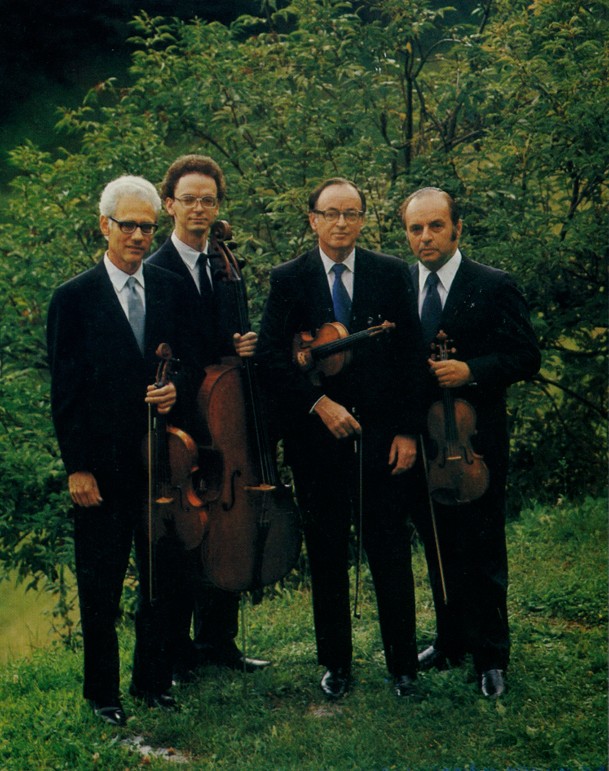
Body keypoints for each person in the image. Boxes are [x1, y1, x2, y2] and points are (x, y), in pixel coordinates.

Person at [257, 177, 425, 698]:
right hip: (315, 442)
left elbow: (412, 358)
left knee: (390, 550)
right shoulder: (288, 279)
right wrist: (317, 402)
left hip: (381, 438)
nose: (341, 223)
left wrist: (406, 431)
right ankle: (337, 664)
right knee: (327, 552)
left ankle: (403, 667)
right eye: (331, 213)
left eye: (351, 213)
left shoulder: (393, 273)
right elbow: (269, 359)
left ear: (362, 219)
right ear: (312, 219)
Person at [47, 175, 201, 726]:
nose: (138, 235)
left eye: (146, 226)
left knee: (163, 575)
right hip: (104, 467)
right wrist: (78, 469)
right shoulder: (74, 296)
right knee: (101, 583)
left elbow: (187, 361)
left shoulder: (169, 285)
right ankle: (102, 694)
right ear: (104, 225)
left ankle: (152, 681)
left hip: (162, 461)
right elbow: (64, 394)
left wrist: (175, 388)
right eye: (128, 225)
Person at [400, 186, 541, 698]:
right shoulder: (399, 284)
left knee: (482, 548)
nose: (425, 237)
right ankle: (450, 639)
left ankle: (490, 657)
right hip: (425, 444)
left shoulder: (493, 283)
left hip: (477, 444)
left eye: (435, 226)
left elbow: (527, 357)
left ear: (457, 228)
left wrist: (471, 371)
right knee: (437, 546)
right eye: (416, 228)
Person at [147, 154, 269, 677]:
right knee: (180, 535)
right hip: (181, 418)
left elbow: (226, 343)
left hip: (222, 417)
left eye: (209, 200)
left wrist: (243, 343)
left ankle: (221, 642)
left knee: (225, 520)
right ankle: (176, 651)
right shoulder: (153, 270)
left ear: (219, 205)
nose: (200, 208)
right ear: (169, 204)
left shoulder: (224, 267)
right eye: (189, 199)